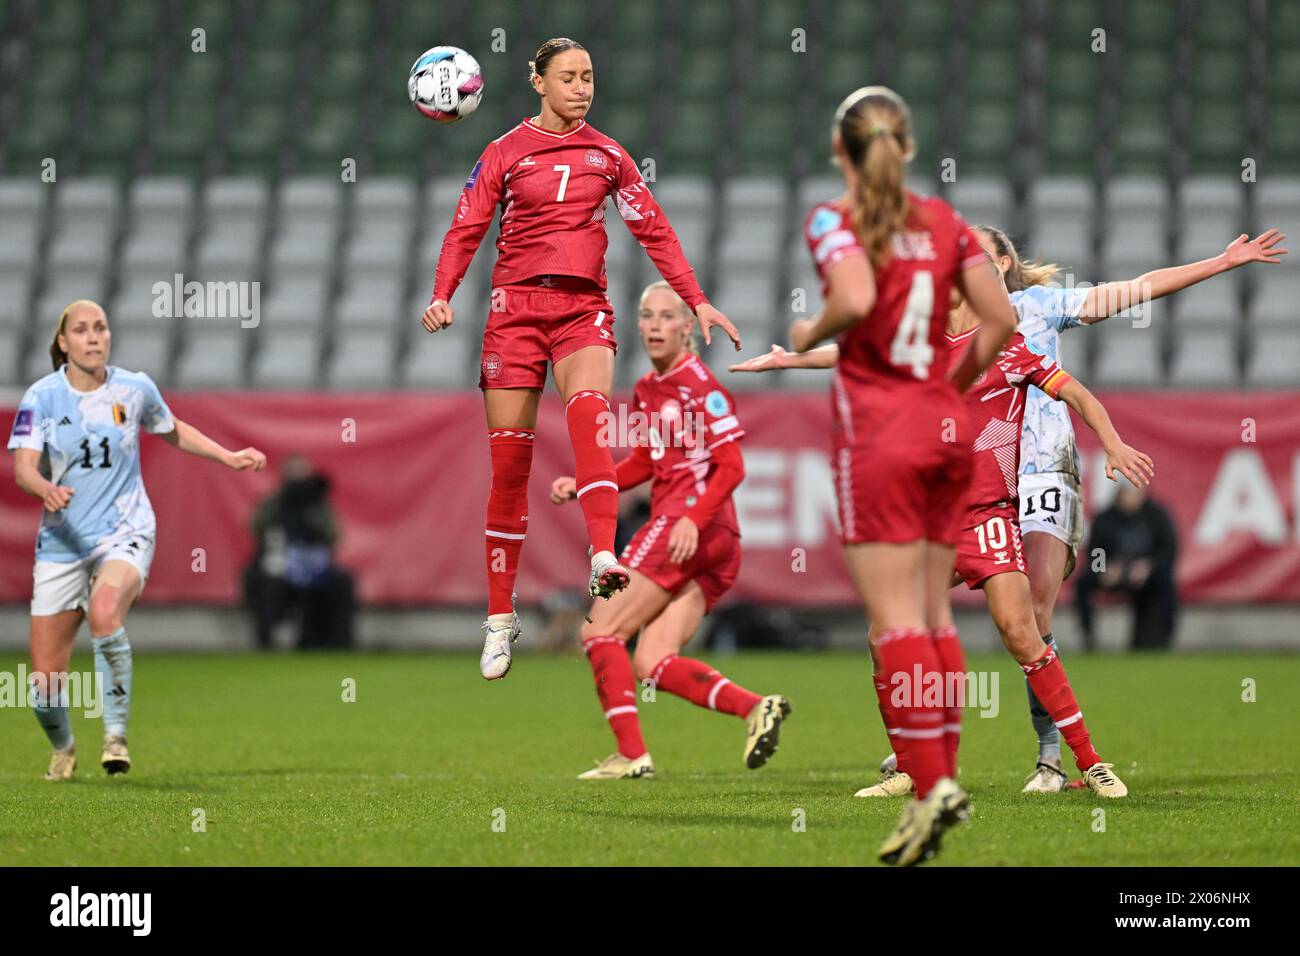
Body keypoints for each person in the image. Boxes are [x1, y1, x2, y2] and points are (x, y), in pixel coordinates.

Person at [735, 224, 1284, 792]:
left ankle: (1054, 757)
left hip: (1041, 469)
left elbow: (1135, 288)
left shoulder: (1037, 308)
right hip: (967, 488)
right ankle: (916, 754)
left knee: (1032, 621)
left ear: (1000, 263)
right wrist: (792, 360)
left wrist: (1219, 263)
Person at [420, 37, 740, 682]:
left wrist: (695, 299)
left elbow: (654, 227)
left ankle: (601, 555)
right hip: (513, 316)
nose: (581, 87)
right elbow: (466, 228)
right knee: (510, 468)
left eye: (589, 76)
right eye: (568, 77)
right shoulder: (504, 152)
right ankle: (500, 618)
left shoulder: (610, 154)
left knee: (590, 418)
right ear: (538, 81)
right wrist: (442, 295)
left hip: (581, 311)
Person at [789, 87, 1017, 865]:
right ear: (909, 147)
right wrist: (953, 389)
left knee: (894, 624)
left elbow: (852, 296)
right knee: (936, 619)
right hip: (947, 432)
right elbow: (1002, 323)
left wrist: (807, 330)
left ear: (838, 149)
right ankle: (941, 783)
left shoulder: (834, 218)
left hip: (878, 436)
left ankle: (929, 788)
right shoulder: (946, 223)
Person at [7, 300, 266, 780]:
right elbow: (23, 466)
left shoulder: (135, 387)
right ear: (63, 343)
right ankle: (63, 747)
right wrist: (44, 488)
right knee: (43, 684)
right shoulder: (41, 397)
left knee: (106, 613)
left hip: (125, 530)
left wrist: (228, 457)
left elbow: (172, 429)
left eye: (101, 328)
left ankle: (115, 737)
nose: (93, 337)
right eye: (81, 330)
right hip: (63, 542)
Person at [549, 281, 789, 779]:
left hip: (691, 526)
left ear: (688, 328)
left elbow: (733, 466)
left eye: (667, 317)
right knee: (653, 661)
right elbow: (647, 460)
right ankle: (756, 708)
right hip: (710, 540)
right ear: (638, 324)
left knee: (599, 631)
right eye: (647, 316)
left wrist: (690, 519)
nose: (656, 325)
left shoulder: (702, 388)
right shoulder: (646, 389)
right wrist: (593, 481)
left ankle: (632, 755)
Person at [243, 454, 356, 650]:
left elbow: (334, 536)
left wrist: (312, 515)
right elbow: (256, 527)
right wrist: (282, 501)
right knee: (263, 581)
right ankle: (266, 641)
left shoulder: (319, 505)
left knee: (343, 581)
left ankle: (337, 642)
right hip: (277, 566)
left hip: (313, 568)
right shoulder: (272, 502)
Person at [1076, 479, 1179, 651]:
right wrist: (1102, 569)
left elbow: (1168, 550)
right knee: (1082, 582)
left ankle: (1162, 638)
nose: (1129, 498)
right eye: (1125, 493)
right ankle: (1089, 637)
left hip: (1145, 574)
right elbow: (1094, 551)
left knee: (1165, 583)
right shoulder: (1105, 518)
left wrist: (1149, 566)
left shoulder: (1157, 515)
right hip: (1114, 572)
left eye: (1133, 493)